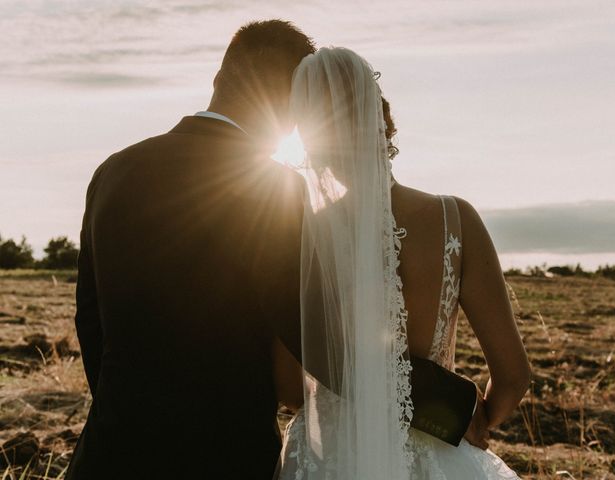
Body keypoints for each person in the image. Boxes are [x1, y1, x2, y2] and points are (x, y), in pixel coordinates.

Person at [67, 20, 486, 480]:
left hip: (110, 452)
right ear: (289, 102)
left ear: (218, 79)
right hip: (225, 457)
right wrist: (454, 406)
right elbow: (327, 347)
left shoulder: (114, 172)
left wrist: (126, 414)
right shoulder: (274, 189)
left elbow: (91, 321)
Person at [275, 47, 531, 479]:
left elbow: (288, 386)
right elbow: (513, 375)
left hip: (330, 458)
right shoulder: (456, 220)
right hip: (435, 450)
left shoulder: (304, 240)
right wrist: (462, 420)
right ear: (384, 121)